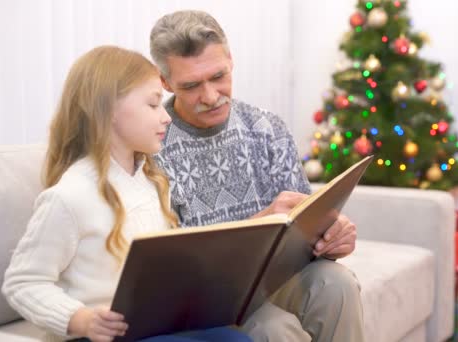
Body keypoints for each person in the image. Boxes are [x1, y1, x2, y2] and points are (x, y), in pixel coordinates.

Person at [1, 46, 251, 342]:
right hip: (98, 335)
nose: (167, 117)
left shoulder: (152, 180)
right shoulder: (69, 196)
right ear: (109, 111)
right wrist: (80, 319)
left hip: (152, 325)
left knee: (237, 339)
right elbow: (22, 282)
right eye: (154, 104)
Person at [150, 10, 365, 342]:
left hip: (278, 278)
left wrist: (332, 238)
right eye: (191, 86)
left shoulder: (266, 128)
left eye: (218, 76)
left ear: (231, 60)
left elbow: (306, 227)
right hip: (210, 297)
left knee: (338, 285)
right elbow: (168, 266)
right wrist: (258, 222)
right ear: (165, 83)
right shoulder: (151, 145)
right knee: (274, 329)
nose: (210, 96)